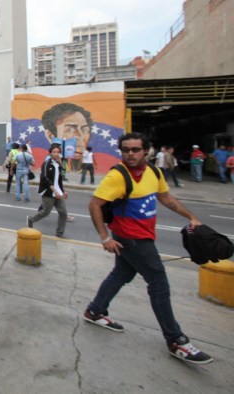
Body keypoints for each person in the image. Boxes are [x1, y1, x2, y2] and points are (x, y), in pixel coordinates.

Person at [84, 132, 213, 365]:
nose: (130, 154)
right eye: (126, 150)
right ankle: (176, 340)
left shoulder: (153, 172)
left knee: (121, 275)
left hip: (144, 236)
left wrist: (191, 217)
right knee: (159, 285)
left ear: (146, 151)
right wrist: (105, 238)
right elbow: (94, 204)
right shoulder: (118, 176)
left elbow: (166, 198)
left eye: (135, 150)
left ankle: (95, 310)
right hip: (132, 239)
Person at [27, 143, 68, 237]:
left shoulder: (58, 164)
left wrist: (63, 190)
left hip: (58, 193)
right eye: (54, 152)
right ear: (50, 153)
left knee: (63, 213)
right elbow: (45, 178)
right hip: (49, 192)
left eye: (58, 152)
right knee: (45, 212)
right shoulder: (46, 164)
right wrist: (55, 191)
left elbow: (58, 180)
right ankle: (31, 219)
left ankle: (59, 233)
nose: (56, 154)